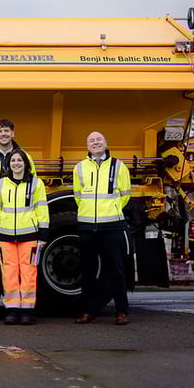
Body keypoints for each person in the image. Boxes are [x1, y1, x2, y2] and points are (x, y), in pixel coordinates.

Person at [0, 119, 37, 322]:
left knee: (21, 268)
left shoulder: (24, 156)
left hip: (20, 219)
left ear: (13, 133)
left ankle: (20, 308)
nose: (3, 134)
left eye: (6, 131)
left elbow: (32, 184)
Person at [73, 131, 132, 325]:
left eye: (99, 140)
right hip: (87, 225)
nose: (95, 143)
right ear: (87, 146)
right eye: (91, 141)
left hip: (112, 225)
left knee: (116, 269)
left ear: (106, 143)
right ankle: (88, 311)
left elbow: (125, 194)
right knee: (88, 269)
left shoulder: (118, 166)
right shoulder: (80, 168)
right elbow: (78, 195)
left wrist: (112, 210)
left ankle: (121, 311)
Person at [0, 149, 49, 325]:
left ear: (26, 164)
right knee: (9, 274)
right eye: (13, 160)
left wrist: (43, 235)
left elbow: (42, 210)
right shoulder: (0, 184)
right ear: (8, 164)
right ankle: (12, 310)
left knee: (29, 273)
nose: (16, 163)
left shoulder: (37, 184)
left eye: (20, 160)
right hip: (5, 237)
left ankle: (27, 311)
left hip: (29, 236)